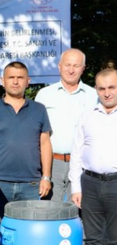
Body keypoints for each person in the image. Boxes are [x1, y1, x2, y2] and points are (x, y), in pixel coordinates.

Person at [69, 68, 117, 245]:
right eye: (102, 88)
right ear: (96, 90)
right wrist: (76, 187)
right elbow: (76, 153)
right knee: (93, 239)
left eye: (112, 87)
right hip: (90, 183)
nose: (107, 93)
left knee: (115, 239)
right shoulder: (87, 116)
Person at [0, 62, 52, 220]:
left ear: (28, 81)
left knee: (29, 231)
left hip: (31, 184)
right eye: (11, 77)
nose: (15, 81)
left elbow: (45, 144)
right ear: (3, 81)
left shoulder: (39, 109)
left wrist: (46, 177)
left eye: (20, 77)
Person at [35, 49, 97, 202]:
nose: (71, 70)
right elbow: (36, 131)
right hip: (51, 163)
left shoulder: (93, 96)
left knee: (78, 214)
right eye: (67, 65)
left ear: (83, 68)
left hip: (83, 164)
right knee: (49, 213)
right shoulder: (44, 94)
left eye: (76, 65)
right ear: (59, 66)